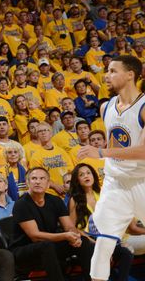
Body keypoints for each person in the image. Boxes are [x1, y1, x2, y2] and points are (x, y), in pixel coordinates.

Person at [77, 55, 145, 281]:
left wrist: (101, 152)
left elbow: (143, 151)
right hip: (115, 182)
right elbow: (118, 143)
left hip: (141, 181)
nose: (107, 75)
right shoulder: (106, 107)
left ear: (130, 75)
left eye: (113, 71)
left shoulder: (143, 107)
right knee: (104, 242)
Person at [9, 167, 93, 279]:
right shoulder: (21, 204)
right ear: (27, 183)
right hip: (23, 250)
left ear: (48, 184)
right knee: (46, 246)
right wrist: (65, 236)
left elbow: (69, 226)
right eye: (34, 178)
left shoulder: (55, 200)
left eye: (42, 178)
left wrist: (74, 236)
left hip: (49, 245)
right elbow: (35, 236)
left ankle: (91, 278)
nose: (38, 181)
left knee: (83, 241)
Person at [67, 163, 132, 281]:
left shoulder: (103, 194)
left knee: (126, 253)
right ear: (77, 180)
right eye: (81, 175)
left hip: (103, 236)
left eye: (88, 173)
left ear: (93, 176)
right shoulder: (74, 199)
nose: (86, 176)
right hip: (86, 239)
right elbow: (72, 228)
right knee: (93, 250)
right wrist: (95, 242)